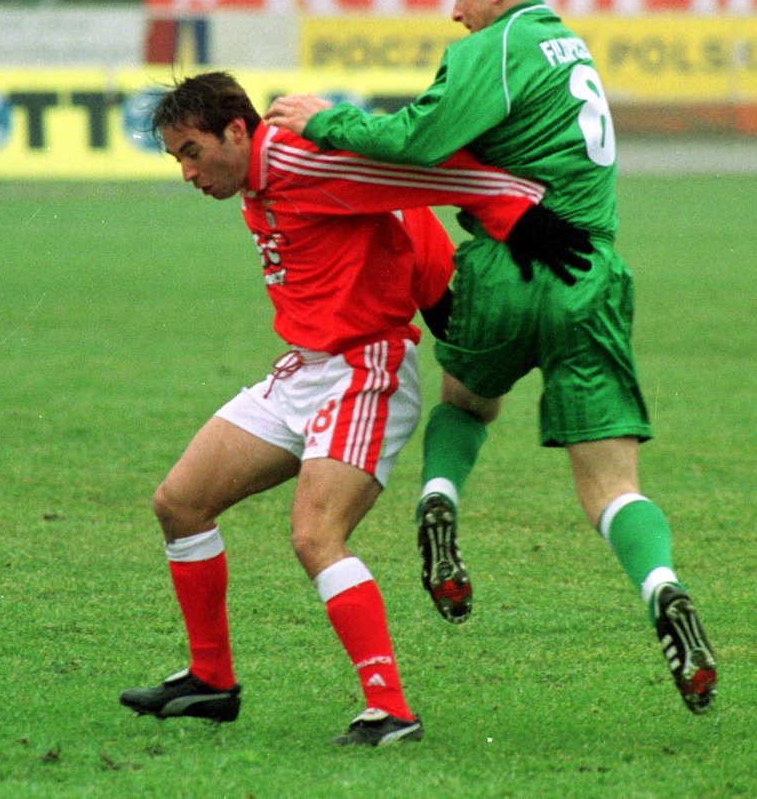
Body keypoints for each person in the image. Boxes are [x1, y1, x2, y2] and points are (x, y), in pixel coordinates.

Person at [264, 0, 716, 714]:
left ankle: (440, 494)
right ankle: (661, 585)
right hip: (593, 274)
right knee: (612, 485)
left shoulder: (494, 49)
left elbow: (419, 140)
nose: (454, 12)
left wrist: (324, 120)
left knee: (467, 401)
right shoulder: (571, 49)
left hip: (510, 267)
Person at [118, 71, 590, 746]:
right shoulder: (263, 176)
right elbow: (396, 213)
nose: (188, 172)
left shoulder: (299, 160)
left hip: (364, 372)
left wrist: (514, 208)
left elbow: (417, 176)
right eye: (176, 160)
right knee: (180, 503)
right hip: (306, 372)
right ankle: (211, 681)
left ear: (235, 131)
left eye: (191, 152)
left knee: (315, 536)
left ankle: (390, 711)